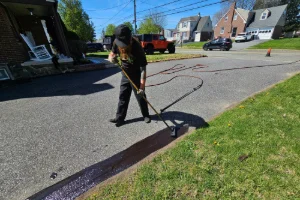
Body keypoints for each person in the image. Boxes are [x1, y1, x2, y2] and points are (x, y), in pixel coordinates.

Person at [108, 24, 151, 127]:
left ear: (129, 39)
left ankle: (146, 115)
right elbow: (111, 54)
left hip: (136, 74)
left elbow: (143, 69)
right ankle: (120, 118)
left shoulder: (137, 47)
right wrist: (111, 58)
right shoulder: (116, 42)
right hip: (125, 73)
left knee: (140, 96)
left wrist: (141, 87)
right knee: (123, 96)